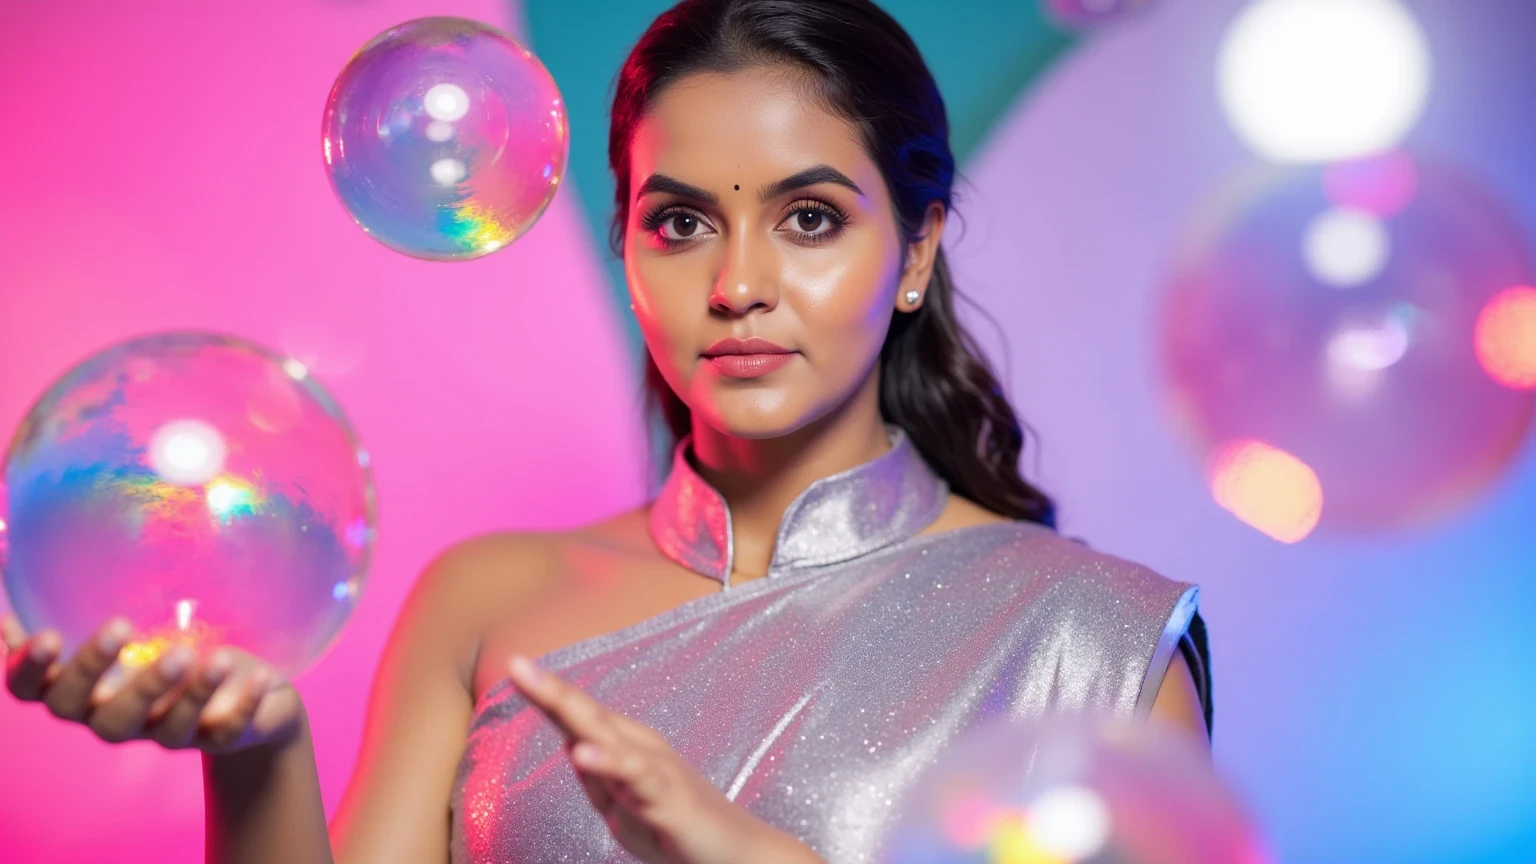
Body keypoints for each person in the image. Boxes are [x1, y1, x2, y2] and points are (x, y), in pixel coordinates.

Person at [2, 1, 1212, 862]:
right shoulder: (485, 602)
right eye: (681, 224)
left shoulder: (1091, 644)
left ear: (917, 253)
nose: (738, 283)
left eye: (809, 219)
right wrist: (255, 749)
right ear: (626, 247)